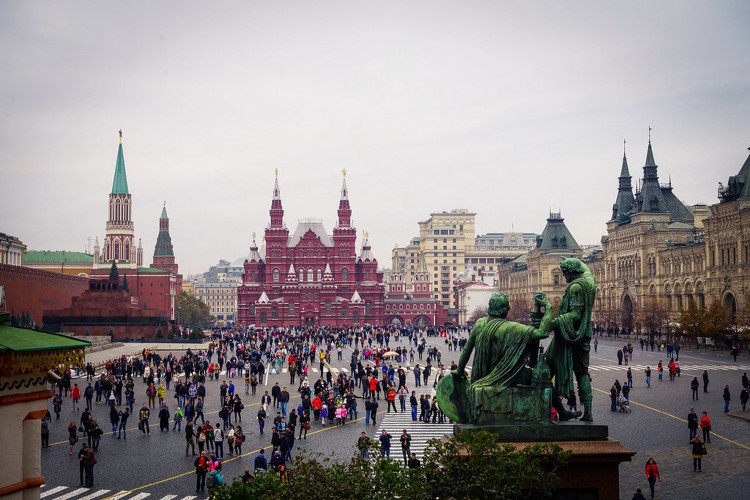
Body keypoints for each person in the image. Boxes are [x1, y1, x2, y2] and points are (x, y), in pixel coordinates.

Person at [544, 259, 596, 421]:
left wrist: (553, 322)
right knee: (582, 373)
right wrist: (576, 259)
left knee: (544, 371)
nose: (564, 276)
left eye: (565, 273)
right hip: (583, 335)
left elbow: (575, 315)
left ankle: (551, 409)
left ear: (571, 272)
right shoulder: (588, 283)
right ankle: (588, 412)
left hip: (569, 336)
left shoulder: (575, 287)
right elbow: (587, 270)